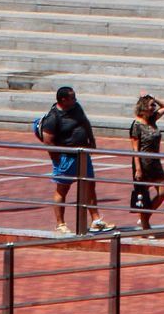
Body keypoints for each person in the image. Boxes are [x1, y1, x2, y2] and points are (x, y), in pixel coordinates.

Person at [38, 85, 113, 234]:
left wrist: (91, 139)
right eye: (72, 97)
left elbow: (85, 122)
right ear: (63, 100)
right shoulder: (53, 117)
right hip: (67, 157)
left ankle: (96, 220)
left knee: (89, 186)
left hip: (83, 154)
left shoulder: (76, 108)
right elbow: (48, 141)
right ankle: (60, 224)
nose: (75, 99)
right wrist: (57, 159)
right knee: (63, 189)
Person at [128, 93, 164, 230]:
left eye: (153, 105)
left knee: (163, 193)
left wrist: (153, 97)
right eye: (151, 105)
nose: (154, 107)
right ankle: (145, 224)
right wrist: (138, 168)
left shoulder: (152, 120)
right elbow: (135, 149)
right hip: (143, 163)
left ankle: (145, 218)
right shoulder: (137, 125)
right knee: (143, 196)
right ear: (143, 107)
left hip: (155, 162)